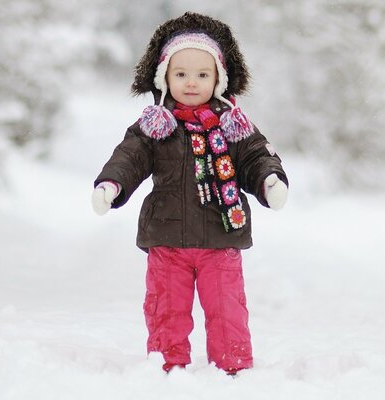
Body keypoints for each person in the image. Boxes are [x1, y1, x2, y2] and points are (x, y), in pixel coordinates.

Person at [91, 12, 288, 376]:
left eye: (202, 74)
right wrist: (112, 183)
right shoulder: (154, 127)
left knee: (227, 308)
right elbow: (130, 156)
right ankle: (167, 363)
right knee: (166, 307)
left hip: (221, 237)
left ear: (219, 78)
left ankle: (233, 366)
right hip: (167, 239)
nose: (192, 83)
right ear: (164, 77)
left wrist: (269, 180)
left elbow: (255, 156)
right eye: (181, 74)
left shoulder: (233, 125)